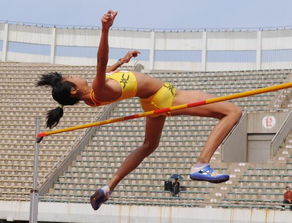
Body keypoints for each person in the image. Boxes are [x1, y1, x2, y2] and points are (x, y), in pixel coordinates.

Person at [37, 10, 242, 211]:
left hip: (151, 102)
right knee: (232, 112)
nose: (74, 74)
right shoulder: (98, 90)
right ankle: (201, 165)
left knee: (148, 146)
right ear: (74, 90)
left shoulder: (94, 91)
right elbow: (101, 62)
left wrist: (123, 61)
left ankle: (108, 188)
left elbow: (108, 71)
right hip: (166, 97)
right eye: (71, 77)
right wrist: (105, 30)